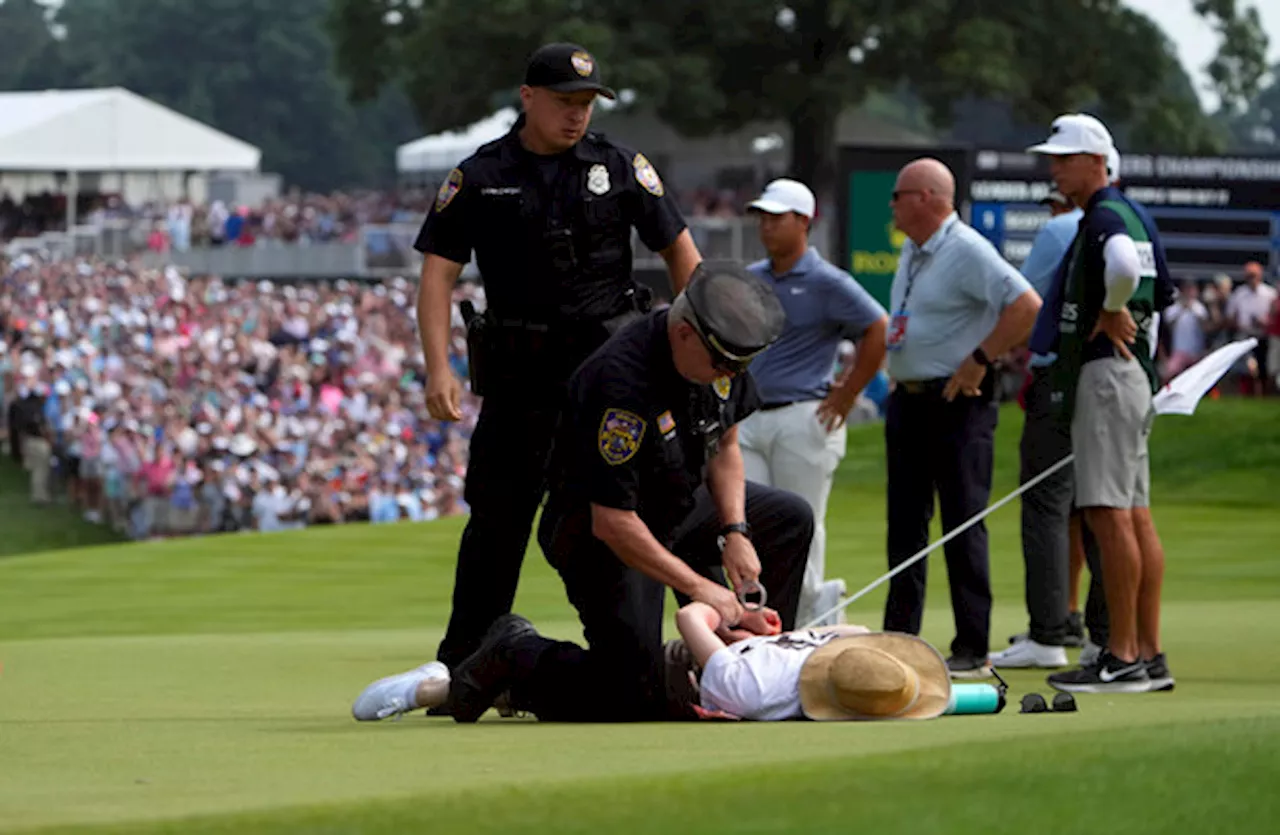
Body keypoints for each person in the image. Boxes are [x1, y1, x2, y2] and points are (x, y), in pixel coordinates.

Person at [353, 262, 813, 723]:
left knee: (789, 517)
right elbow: (613, 521)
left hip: (676, 500)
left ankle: (756, 668)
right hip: (598, 533)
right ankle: (513, 653)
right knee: (631, 694)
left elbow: (725, 443)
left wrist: (735, 530)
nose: (728, 374)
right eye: (722, 365)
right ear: (686, 333)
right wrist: (700, 588)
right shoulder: (621, 381)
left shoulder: (719, 360)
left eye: (737, 367)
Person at [408, 43, 703, 680]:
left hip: (613, 378)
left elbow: (683, 252)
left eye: (587, 104)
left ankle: (716, 636)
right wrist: (438, 367)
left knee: (665, 501)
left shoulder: (620, 166)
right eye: (566, 103)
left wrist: (696, 348)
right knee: (497, 519)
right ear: (528, 97)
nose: (578, 117)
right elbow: (438, 275)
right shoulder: (481, 175)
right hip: (523, 378)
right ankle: (466, 660)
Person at [1026, 113, 1176, 693]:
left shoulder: (1103, 216)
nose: (1054, 168)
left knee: (1108, 513)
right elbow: (1158, 289)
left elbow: (1121, 267)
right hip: (1131, 377)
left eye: (1064, 159)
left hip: (1107, 378)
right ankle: (1148, 651)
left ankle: (1121, 656)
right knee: (1134, 514)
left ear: (1096, 163)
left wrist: (1113, 306)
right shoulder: (1131, 212)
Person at [881, 158, 1041, 679]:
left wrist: (980, 357)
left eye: (899, 195)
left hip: (956, 402)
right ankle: (899, 637)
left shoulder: (966, 248)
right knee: (905, 525)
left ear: (927, 197)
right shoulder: (913, 249)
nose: (892, 205)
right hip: (909, 400)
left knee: (961, 521)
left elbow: (1026, 305)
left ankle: (972, 644)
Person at [738, 178, 889, 627]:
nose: (766, 226)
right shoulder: (752, 278)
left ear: (804, 222)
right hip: (749, 419)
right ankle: (770, 620)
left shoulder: (827, 282)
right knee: (747, 523)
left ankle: (807, 619)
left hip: (805, 416)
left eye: (776, 217)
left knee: (802, 523)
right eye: (762, 217)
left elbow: (877, 328)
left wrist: (848, 392)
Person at [673, 601, 950, 722]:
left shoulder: (751, 688)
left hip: (668, 671)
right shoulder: (854, 653)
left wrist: (735, 611)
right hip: (725, 653)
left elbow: (688, 617)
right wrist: (753, 635)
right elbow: (858, 632)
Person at [1225, 261, 1277, 396]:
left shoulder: (1269, 293)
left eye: (1254, 275)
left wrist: (1264, 322)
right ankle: (1249, 394)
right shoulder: (1239, 294)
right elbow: (1230, 316)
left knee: (1264, 369)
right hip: (1246, 335)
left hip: (1263, 336)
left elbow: (1274, 316)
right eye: (1249, 276)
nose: (1251, 279)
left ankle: (1264, 396)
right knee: (1248, 369)